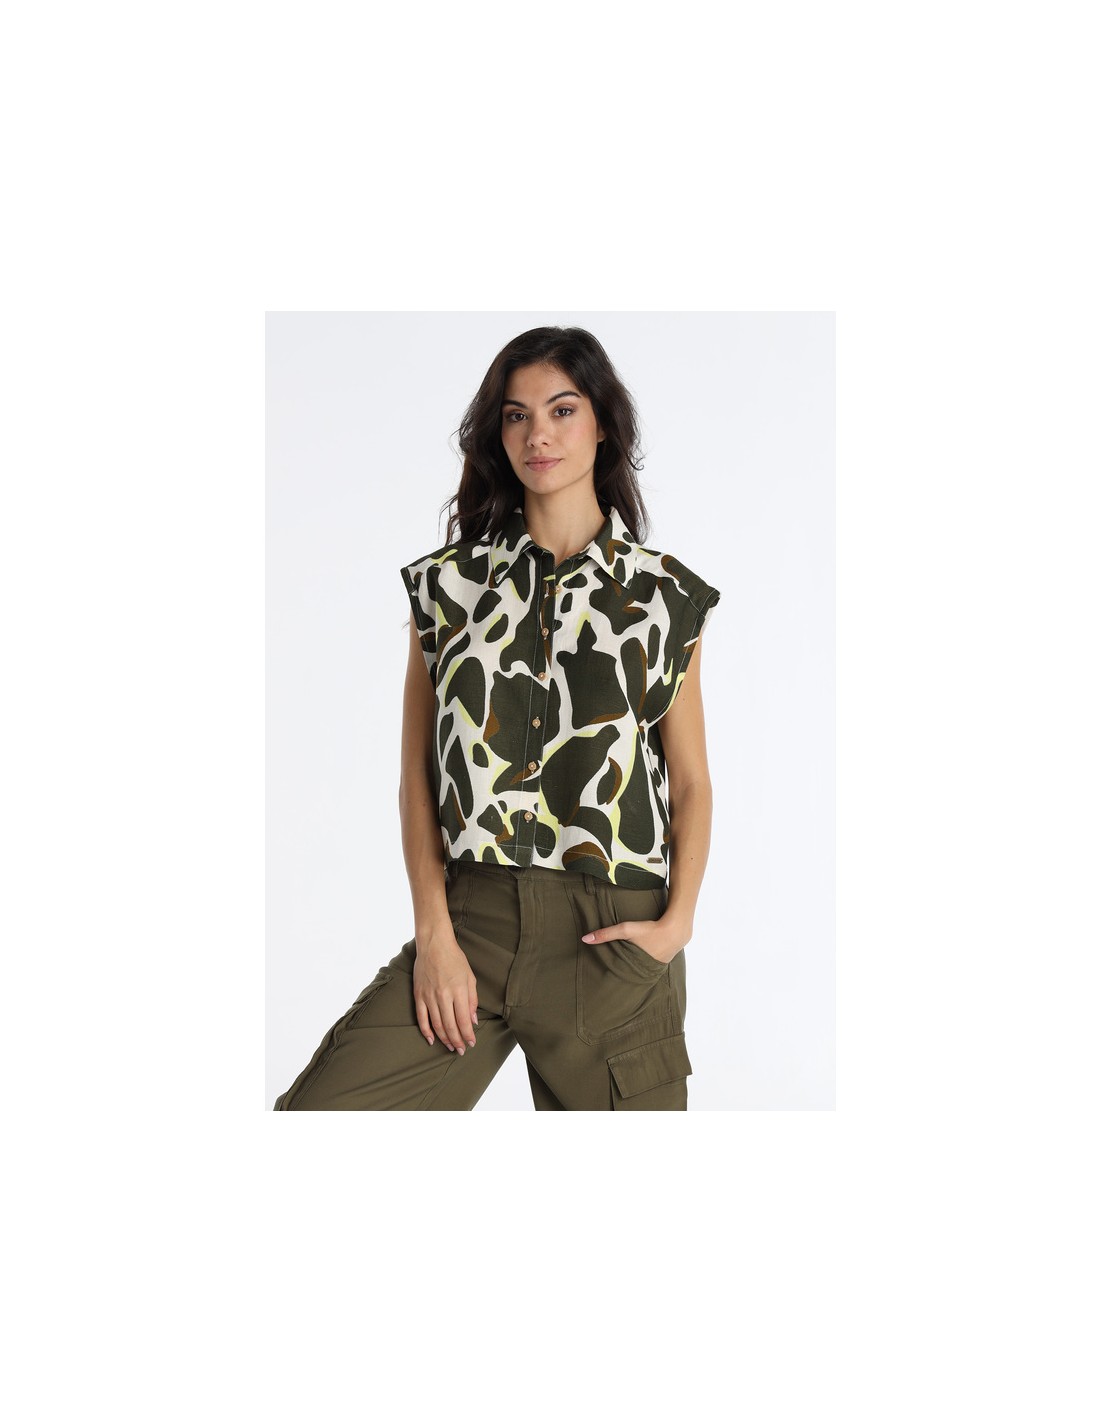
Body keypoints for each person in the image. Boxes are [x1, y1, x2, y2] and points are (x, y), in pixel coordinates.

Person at [274, 326, 721, 1110]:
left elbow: (689, 782)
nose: (537, 433)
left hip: (612, 940)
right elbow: (417, 776)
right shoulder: (449, 590)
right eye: (517, 415)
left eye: (562, 410)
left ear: (603, 424)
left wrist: (676, 924)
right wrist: (435, 935)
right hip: (471, 928)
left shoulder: (664, 598)